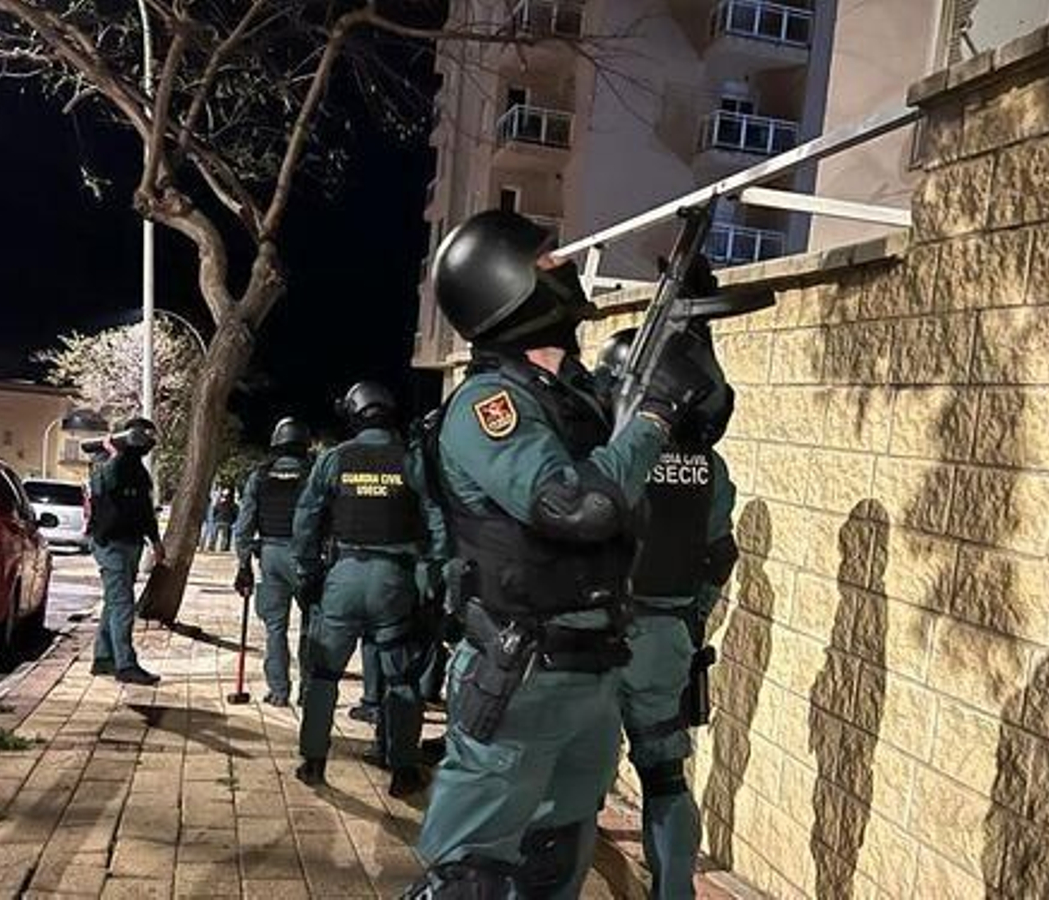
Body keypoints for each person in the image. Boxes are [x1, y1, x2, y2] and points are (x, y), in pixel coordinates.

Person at [404, 210, 719, 898]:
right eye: (548, 260)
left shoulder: (576, 396)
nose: (565, 265)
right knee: (470, 881)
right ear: (504, 283)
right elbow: (577, 507)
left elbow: (698, 409)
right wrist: (656, 418)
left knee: (555, 868)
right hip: (519, 670)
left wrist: (692, 323)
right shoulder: (490, 404)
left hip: (593, 671)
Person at [595, 326, 739, 899]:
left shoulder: (611, 457)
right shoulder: (711, 467)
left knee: (578, 780)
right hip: (666, 640)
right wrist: (689, 616)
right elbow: (719, 554)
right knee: (665, 778)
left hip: (599, 638)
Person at [292, 381, 447, 798]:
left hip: (343, 577)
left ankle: (313, 760)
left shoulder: (335, 460)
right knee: (401, 679)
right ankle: (403, 770)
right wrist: (430, 579)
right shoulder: (412, 459)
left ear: (353, 416)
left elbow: (306, 520)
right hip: (394, 580)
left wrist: (306, 575)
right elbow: (437, 524)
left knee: (323, 674)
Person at [233, 417, 315, 707]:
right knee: (311, 625)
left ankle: (279, 691)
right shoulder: (313, 473)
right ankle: (309, 690)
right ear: (304, 444)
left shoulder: (260, 476)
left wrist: (243, 563)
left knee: (275, 627)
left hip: (270, 555)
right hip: (307, 558)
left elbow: (243, 526)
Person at [86, 417, 163, 686]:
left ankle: (104, 658)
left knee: (114, 602)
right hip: (110, 543)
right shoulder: (104, 459)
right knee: (123, 604)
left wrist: (155, 540)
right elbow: (100, 486)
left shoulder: (139, 470)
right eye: (144, 436)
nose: (148, 443)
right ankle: (126, 664)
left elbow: (144, 510)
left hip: (131, 543)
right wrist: (115, 454)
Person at [212, 488, 239, 553]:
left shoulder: (219, 503)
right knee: (225, 536)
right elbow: (235, 513)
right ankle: (224, 548)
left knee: (215, 535)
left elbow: (215, 511)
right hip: (227, 521)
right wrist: (233, 521)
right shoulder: (232, 504)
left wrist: (215, 519)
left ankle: (212, 546)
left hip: (219, 520)